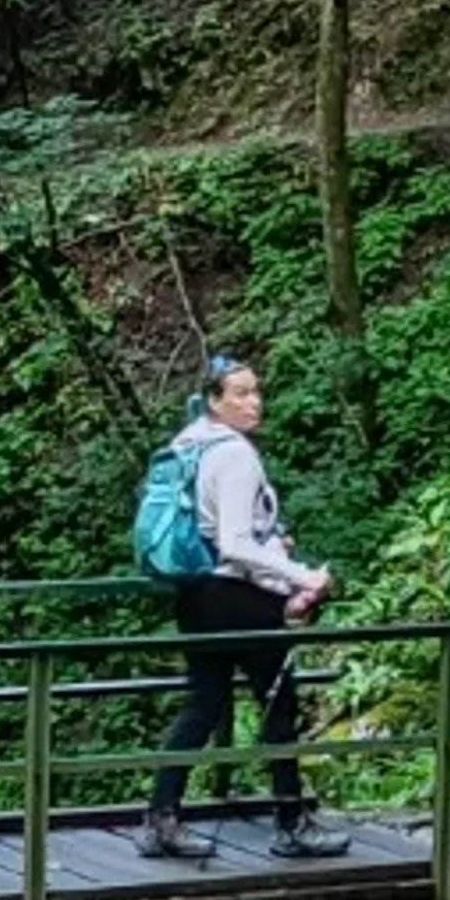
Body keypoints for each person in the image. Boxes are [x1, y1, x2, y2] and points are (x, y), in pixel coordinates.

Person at [141, 351, 350, 864]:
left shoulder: (186, 444)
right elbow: (235, 542)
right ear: (215, 402)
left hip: (196, 595)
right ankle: (291, 822)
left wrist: (271, 547)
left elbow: (219, 531)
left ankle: (161, 817)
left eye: (256, 391)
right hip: (239, 597)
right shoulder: (234, 453)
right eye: (240, 394)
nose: (253, 402)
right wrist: (302, 576)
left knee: (203, 704)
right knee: (279, 704)